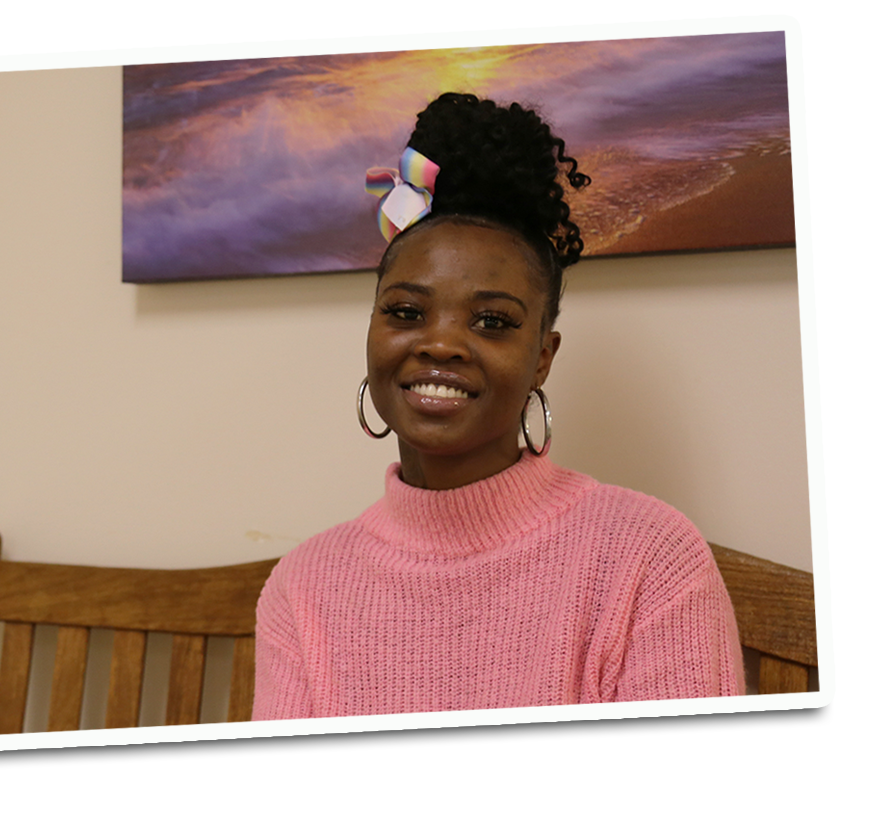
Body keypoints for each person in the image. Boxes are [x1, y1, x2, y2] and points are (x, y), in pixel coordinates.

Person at [252, 92, 745, 720]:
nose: (440, 344)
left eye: (491, 321)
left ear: (543, 356)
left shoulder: (648, 557)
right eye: (405, 312)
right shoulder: (303, 586)